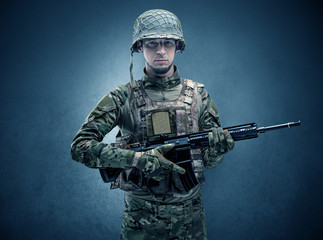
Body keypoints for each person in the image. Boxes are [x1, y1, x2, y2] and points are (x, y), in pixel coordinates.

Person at [70, 9, 234, 240]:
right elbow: (80, 147)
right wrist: (136, 159)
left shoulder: (199, 95)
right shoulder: (121, 97)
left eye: (168, 43)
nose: (160, 50)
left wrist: (217, 151)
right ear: (139, 47)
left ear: (177, 46)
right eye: (152, 43)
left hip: (191, 218)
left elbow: (209, 161)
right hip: (140, 220)